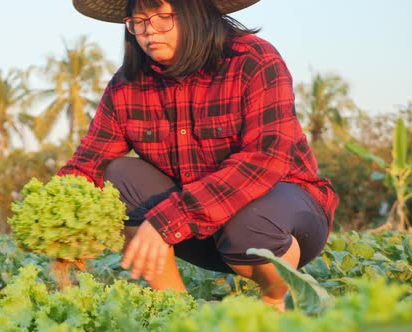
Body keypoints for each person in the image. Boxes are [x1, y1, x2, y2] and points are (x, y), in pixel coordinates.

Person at [59, 0, 338, 311]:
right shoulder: (127, 85)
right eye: (139, 21)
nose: (150, 31)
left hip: (284, 220)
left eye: (163, 17)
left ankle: (275, 298)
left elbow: (266, 158)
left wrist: (170, 217)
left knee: (250, 224)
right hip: (197, 231)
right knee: (118, 175)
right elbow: (88, 163)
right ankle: (178, 310)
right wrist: (64, 223)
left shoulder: (253, 59)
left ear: (197, 12)